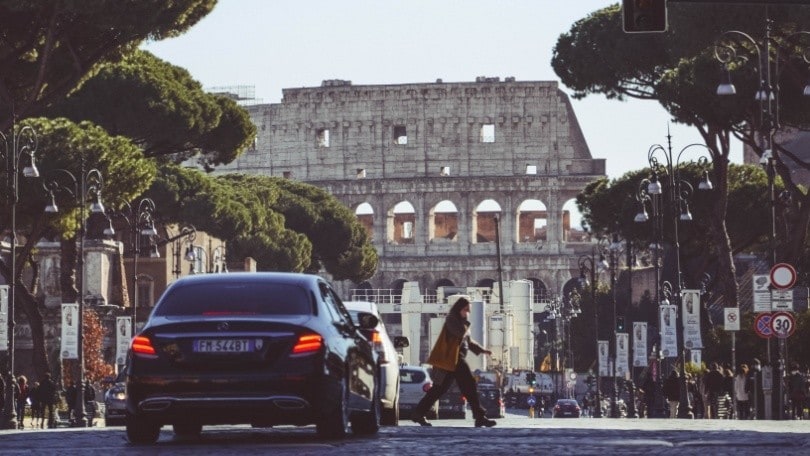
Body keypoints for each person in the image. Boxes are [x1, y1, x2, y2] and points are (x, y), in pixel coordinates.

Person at [410, 296, 496, 428]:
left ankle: (418, 413)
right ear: (459, 309)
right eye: (466, 310)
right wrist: (466, 323)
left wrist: (483, 350)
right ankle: (479, 417)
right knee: (468, 385)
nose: (467, 313)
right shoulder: (452, 320)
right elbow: (460, 333)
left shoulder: (461, 322)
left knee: (441, 389)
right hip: (451, 360)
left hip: (454, 361)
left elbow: (469, 342)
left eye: (468, 310)